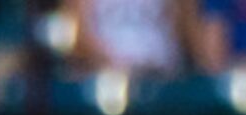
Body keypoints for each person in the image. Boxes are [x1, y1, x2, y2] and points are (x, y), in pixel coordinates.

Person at [59, 0, 191, 76]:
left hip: (161, 80)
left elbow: (183, 27)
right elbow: (76, 37)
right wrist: (114, 63)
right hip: (105, 82)